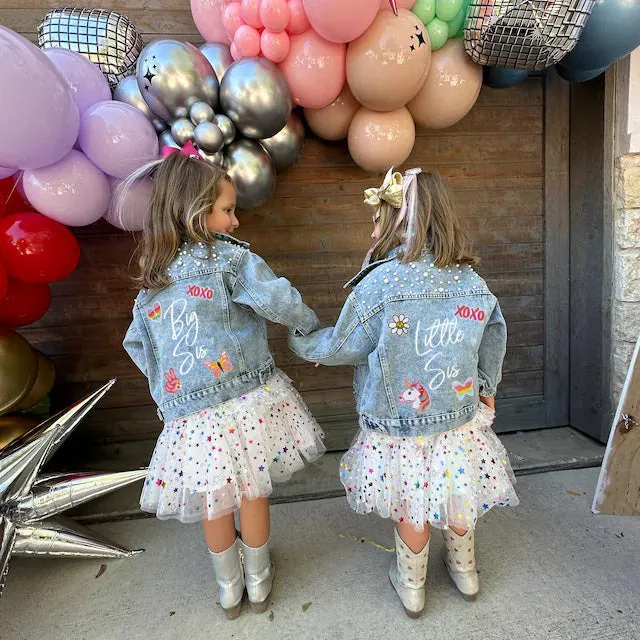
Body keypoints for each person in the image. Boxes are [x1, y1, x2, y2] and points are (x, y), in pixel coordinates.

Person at [290, 167, 518, 618]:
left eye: (378, 219)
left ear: (398, 222)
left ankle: (412, 586)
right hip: (458, 416)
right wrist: (487, 389)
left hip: (399, 425)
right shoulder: (470, 282)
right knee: (458, 491)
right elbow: (494, 334)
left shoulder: (381, 282)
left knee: (412, 498)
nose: (372, 229)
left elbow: (347, 343)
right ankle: (465, 572)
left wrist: (306, 341)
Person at [121, 143, 325, 619]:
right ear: (197, 213)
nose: (235, 222)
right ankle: (257, 580)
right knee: (251, 490)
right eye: (228, 210)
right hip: (243, 399)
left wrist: (169, 387)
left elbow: (137, 346)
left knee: (216, 499)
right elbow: (276, 299)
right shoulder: (229, 261)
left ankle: (228, 588)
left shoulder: (153, 278)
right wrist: (308, 327)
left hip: (191, 416)